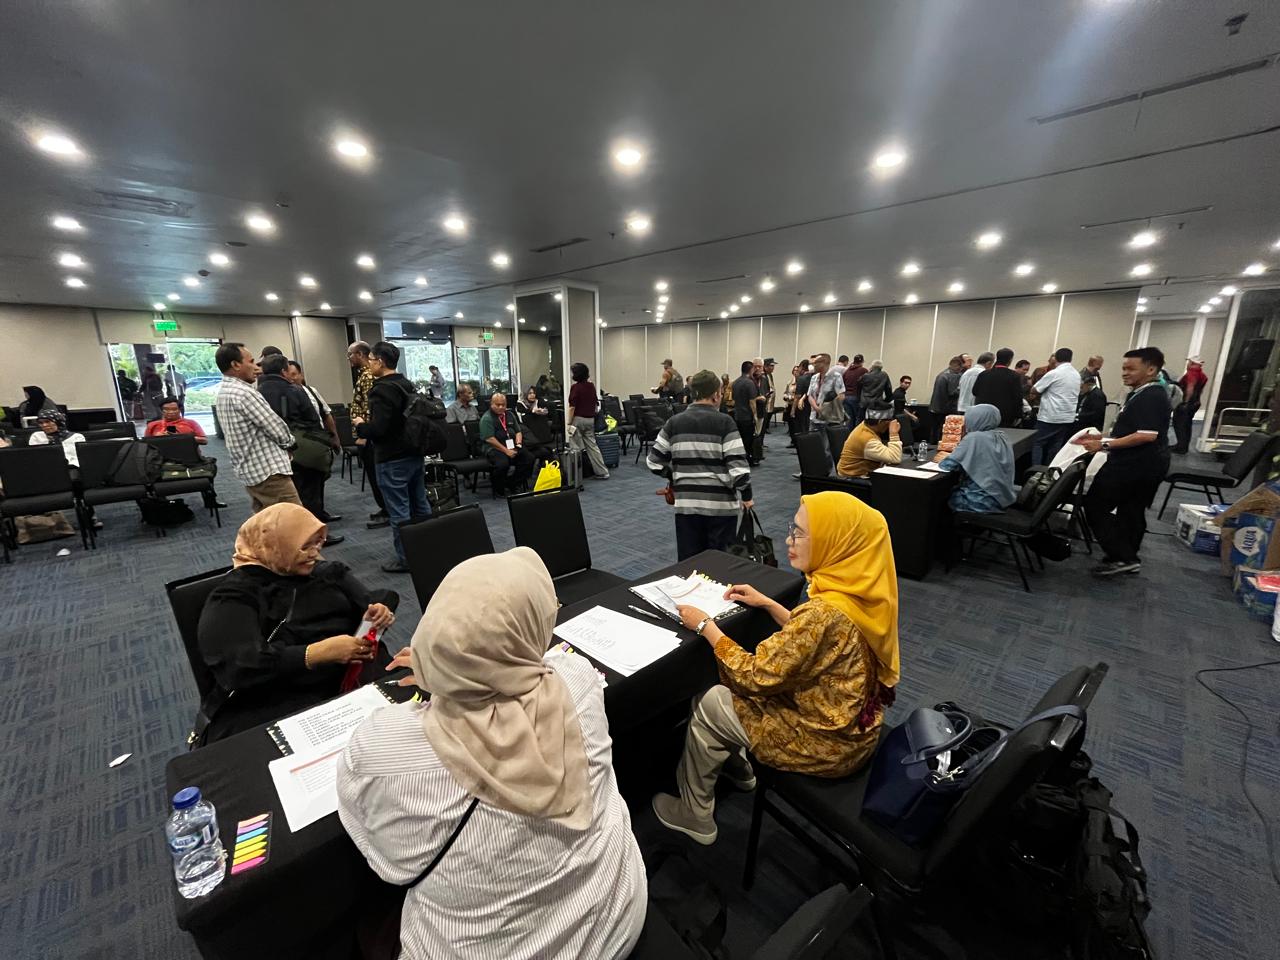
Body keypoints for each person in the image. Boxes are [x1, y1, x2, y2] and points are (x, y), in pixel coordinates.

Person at [337, 548, 647, 960]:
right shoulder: (578, 681)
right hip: (619, 914)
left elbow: (390, 864)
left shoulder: (381, 747)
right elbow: (540, 663)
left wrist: (443, 671)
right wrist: (465, 670)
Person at [651, 492, 899, 844]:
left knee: (710, 701)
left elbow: (754, 676)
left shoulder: (821, 614)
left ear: (834, 542)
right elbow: (822, 642)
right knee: (722, 701)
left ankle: (695, 814)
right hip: (855, 731)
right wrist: (770, 604)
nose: (788, 540)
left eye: (799, 533)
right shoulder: (863, 595)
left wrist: (706, 626)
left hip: (826, 745)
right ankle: (738, 767)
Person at [196, 503, 395, 744]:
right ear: (274, 545)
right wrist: (315, 654)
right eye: (304, 546)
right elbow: (241, 665)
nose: (314, 553)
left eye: (318, 543)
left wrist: (379, 612)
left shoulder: (327, 573)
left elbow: (371, 601)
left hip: (346, 679)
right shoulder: (235, 595)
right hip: (280, 694)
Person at [1078, 347, 1173, 577]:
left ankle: (1122, 555)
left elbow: (1146, 435)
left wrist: (1104, 445)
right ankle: (1126, 557)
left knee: (1096, 505)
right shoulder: (1143, 392)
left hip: (1135, 465)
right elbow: (1131, 429)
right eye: (1123, 368)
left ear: (1151, 369)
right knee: (1131, 511)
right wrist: (1102, 437)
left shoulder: (1152, 396)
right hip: (1142, 464)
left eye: (1131, 369)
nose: (1125, 373)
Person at [647, 369, 753, 560]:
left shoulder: (674, 422)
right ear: (715, 395)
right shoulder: (725, 423)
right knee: (720, 563)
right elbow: (738, 468)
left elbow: (653, 462)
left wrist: (673, 476)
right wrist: (747, 496)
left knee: (689, 564)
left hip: (686, 505)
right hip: (720, 507)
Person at [355, 341, 431, 574]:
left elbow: (380, 429)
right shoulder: (406, 384)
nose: (368, 364)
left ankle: (407, 559)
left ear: (380, 361)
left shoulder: (381, 389)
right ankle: (429, 547)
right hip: (414, 453)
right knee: (421, 506)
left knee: (399, 512)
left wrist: (361, 425)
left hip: (392, 457)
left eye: (370, 360)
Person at [257, 354, 342, 544]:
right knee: (311, 491)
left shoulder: (257, 393)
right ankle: (317, 536)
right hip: (302, 447)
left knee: (294, 493)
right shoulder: (295, 390)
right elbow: (312, 419)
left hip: (275, 452)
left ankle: (299, 535)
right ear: (283, 371)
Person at [215, 342, 302, 511]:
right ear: (235, 364)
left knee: (268, 522)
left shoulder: (225, 391)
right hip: (268, 471)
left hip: (250, 470)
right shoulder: (244, 393)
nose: (257, 368)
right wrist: (291, 444)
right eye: (251, 362)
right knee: (293, 522)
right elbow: (275, 427)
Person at [286, 360, 344, 524]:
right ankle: (312, 524)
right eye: (288, 375)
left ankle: (320, 513)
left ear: (301, 375)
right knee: (305, 487)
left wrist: (335, 437)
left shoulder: (311, 391)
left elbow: (326, 414)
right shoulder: (286, 396)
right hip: (301, 447)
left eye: (294, 374)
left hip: (319, 442)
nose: (292, 378)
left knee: (319, 481)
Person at [937, 404, 1016, 514]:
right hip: (1004, 499)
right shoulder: (1003, 436)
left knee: (939, 497)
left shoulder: (974, 438)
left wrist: (945, 457)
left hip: (981, 501)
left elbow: (947, 466)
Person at [348, 341, 389, 529]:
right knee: (373, 475)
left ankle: (388, 509)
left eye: (350, 354)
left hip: (368, 436)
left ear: (360, 354)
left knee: (376, 475)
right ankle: (385, 507)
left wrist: (363, 435)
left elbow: (368, 409)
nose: (349, 358)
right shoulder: (365, 375)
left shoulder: (368, 377)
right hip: (366, 434)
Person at [1030, 347, 1082, 464]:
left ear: (1056, 358)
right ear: (1070, 359)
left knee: (1037, 443)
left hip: (1050, 416)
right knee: (1055, 445)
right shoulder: (1076, 374)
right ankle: (1049, 470)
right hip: (1067, 417)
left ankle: (1035, 470)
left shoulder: (1054, 373)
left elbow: (1035, 390)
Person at [479, 392, 536, 497]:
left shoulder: (509, 415)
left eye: (503, 404)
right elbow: (490, 439)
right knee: (503, 464)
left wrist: (518, 444)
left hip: (511, 445)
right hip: (494, 447)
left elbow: (518, 431)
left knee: (529, 458)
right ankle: (499, 489)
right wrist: (506, 451)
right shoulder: (487, 418)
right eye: (497, 405)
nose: (501, 407)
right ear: (491, 404)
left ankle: (512, 483)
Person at [837, 401, 903, 478]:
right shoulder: (866, 439)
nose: (889, 425)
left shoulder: (865, 426)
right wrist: (894, 434)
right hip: (853, 478)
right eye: (888, 423)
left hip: (859, 473)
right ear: (880, 422)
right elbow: (895, 458)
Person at [567, 362, 609, 481]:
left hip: (578, 420)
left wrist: (569, 422)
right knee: (593, 447)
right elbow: (595, 404)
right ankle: (603, 472)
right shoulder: (591, 386)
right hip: (590, 420)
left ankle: (576, 476)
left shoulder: (575, 388)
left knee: (575, 447)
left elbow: (572, 407)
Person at [806, 352, 845, 460]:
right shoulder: (814, 377)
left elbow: (841, 396)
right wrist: (816, 408)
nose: (813, 365)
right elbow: (810, 395)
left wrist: (825, 407)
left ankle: (826, 468)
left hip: (829, 419)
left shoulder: (836, 377)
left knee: (826, 449)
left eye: (816, 363)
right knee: (813, 446)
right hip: (814, 417)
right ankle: (814, 467)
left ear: (824, 363)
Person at [973, 347, 1025, 427]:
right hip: (1004, 416)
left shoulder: (983, 374)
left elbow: (975, 392)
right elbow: (1017, 398)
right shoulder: (1014, 376)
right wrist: (1018, 415)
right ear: (1010, 360)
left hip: (984, 413)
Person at [1172, 356, 1209, 454]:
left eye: (1189, 362)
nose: (1188, 364)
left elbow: (1190, 388)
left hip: (1188, 403)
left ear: (1192, 363)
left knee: (1180, 424)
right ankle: (1183, 445)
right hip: (1196, 402)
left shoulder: (1191, 373)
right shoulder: (1202, 375)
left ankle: (1181, 447)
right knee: (1187, 425)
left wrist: (1185, 402)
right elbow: (1200, 390)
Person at [731, 360, 760, 466]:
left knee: (740, 439)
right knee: (748, 440)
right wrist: (755, 416)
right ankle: (748, 459)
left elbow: (734, 399)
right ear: (751, 370)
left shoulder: (735, 383)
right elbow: (752, 402)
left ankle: (739, 458)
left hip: (737, 415)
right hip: (747, 416)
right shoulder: (749, 383)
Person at [842, 354, 867, 424]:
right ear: (862, 362)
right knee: (858, 419)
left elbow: (843, 383)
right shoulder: (863, 371)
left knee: (849, 420)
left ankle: (848, 431)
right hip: (856, 397)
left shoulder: (847, 371)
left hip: (846, 397)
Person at [760, 357, 777, 433]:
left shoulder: (770, 375)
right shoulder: (762, 376)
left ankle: (766, 427)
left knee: (769, 412)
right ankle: (764, 428)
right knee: (765, 414)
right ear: (766, 366)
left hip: (771, 397)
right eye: (771, 366)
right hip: (765, 398)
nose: (773, 368)